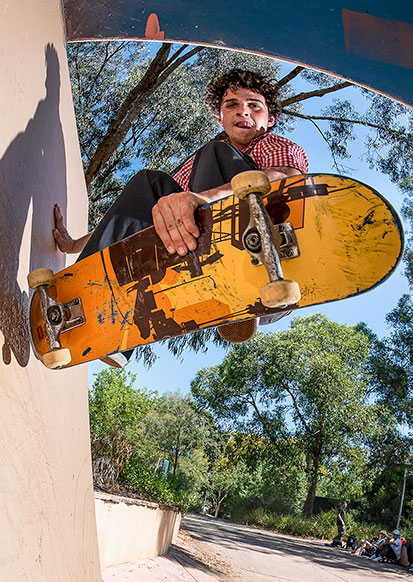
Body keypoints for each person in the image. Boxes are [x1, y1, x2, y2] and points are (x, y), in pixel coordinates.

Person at [52, 69, 310, 365]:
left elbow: (286, 177)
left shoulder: (276, 146)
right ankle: (100, 315)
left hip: (267, 257)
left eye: (254, 105)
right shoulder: (201, 163)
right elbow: (149, 211)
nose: (243, 112)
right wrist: (75, 245)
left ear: (270, 119)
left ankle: (235, 280)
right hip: (200, 252)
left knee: (215, 153)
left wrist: (204, 198)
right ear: (220, 118)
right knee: (150, 185)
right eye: (232, 105)